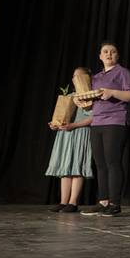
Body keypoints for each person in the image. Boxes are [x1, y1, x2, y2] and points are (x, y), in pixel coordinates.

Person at [78, 42, 130, 217]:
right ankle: (103, 201)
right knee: (100, 164)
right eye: (105, 52)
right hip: (97, 123)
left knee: (112, 162)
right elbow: (90, 106)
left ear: (117, 56)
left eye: (113, 52)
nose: (109, 54)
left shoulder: (122, 73)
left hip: (115, 121)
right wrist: (81, 102)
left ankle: (115, 203)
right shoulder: (95, 78)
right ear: (100, 56)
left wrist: (112, 92)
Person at [46, 67, 93, 213]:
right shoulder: (70, 96)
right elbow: (62, 115)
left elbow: (93, 118)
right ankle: (63, 201)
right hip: (66, 134)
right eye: (74, 76)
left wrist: (74, 125)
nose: (76, 78)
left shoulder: (91, 96)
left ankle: (73, 202)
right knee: (65, 167)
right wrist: (56, 124)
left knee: (77, 167)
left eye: (80, 75)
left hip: (80, 132)